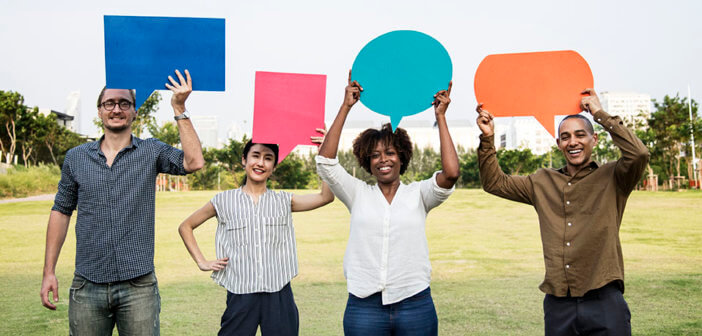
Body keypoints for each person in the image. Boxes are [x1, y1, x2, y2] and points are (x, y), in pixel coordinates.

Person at [40, 69, 205, 335]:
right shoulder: (76, 158)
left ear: (135, 111)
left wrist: (179, 107)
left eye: (124, 103)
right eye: (109, 103)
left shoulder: (152, 151)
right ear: (99, 111)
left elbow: (194, 162)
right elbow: (61, 211)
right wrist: (49, 271)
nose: (116, 109)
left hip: (138, 287)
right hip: (87, 284)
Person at [476, 89, 649, 336]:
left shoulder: (615, 177)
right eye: (565, 137)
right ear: (558, 144)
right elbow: (495, 183)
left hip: (604, 300)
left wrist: (599, 113)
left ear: (594, 140)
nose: (573, 142)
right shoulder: (541, 182)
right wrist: (488, 138)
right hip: (558, 305)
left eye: (580, 135)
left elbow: (639, 153)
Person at [316, 71, 459, 336]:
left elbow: (450, 174)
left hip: (414, 303)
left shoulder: (419, 194)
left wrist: (440, 117)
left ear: (402, 157)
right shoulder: (357, 193)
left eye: (390, 153)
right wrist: (346, 106)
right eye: (375, 155)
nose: (383, 160)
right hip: (364, 305)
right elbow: (325, 162)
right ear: (367, 162)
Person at [178, 136, 334, 336]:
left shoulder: (284, 201)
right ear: (244, 160)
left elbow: (326, 197)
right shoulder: (224, 201)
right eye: (256, 156)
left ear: (274, 166)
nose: (261, 163)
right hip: (240, 295)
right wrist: (202, 261)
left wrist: (325, 154)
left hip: (279, 294)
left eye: (268, 158)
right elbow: (186, 226)